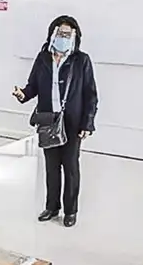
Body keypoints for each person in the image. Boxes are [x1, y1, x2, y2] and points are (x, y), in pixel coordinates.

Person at [13, 15, 99, 227]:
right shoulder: (43, 58)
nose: (63, 37)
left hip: (73, 123)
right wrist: (23, 94)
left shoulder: (81, 60)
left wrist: (88, 123)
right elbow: (32, 86)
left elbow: (91, 95)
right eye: (60, 33)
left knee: (70, 166)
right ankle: (52, 207)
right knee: (51, 167)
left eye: (68, 34)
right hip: (47, 120)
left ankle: (70, 211)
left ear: (75, 37)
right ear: (52, 34)